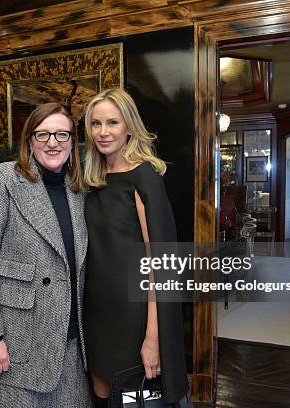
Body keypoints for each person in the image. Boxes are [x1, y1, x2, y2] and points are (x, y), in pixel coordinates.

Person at [0, 103, 91, 407]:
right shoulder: (2, 179)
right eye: (43, 134)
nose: (52, 142)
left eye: (62, 134)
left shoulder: (80, 188)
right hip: (14, 342)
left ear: (72, 142)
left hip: (69, 342)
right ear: (29, 140)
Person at [83, 88, 191, 407]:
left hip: (134, 319)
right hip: (97, 314)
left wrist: (153, 338)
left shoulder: (144, 177)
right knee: (102, 397)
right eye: (95, 123)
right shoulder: (92, 179)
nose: (103, 132)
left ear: (129, 126)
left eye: (112, 122)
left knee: (133, 401)